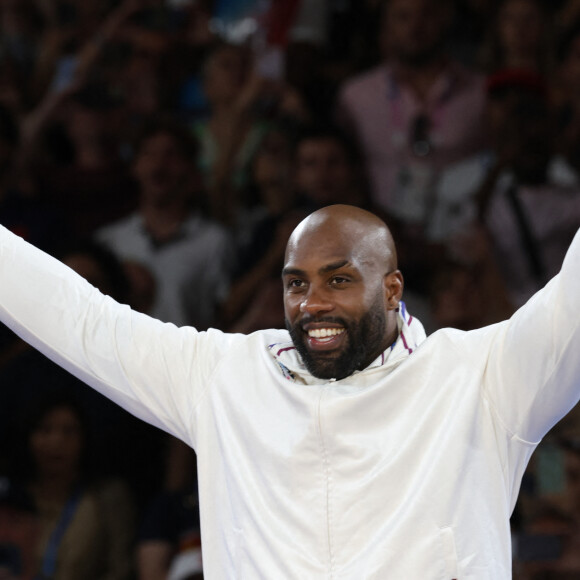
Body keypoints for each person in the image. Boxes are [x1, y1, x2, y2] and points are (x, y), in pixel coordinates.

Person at [0, 203, 580, 577]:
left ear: (392, 289)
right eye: (296, 283)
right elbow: (81, 320)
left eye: (340, 279)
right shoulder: (223, 377)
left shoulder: (482, 376)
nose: (313, 304)